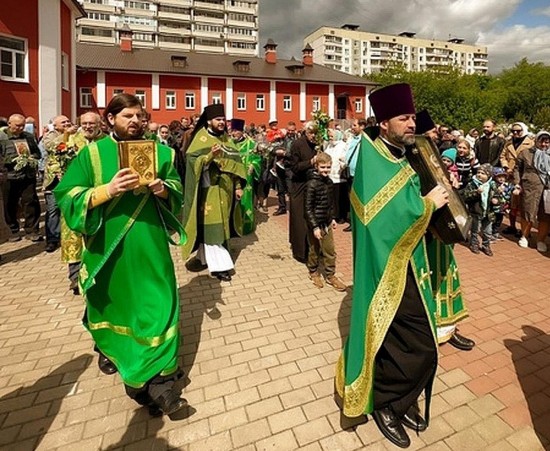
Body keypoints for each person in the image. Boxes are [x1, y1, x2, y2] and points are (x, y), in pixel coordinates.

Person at [53, 94, 186, 415]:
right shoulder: (93, 155)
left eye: (140, 116)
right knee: (115, 306)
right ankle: (122, 359)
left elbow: (178, 188)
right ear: (110, 118)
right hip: (108, 247)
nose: (136, 122)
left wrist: (163, 189)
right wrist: (107, 191)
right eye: (128, 116)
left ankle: (159, 382)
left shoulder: (163, 152)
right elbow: (67, 196)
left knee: (160, 303)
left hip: (150, 245)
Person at [335, 83, 449, 449]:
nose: (412, 123)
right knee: (422, 347)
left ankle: (393, 397)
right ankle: (388, 405)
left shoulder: (400, 152)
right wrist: (428, 205)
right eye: (404, 118)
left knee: (403, 341)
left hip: (407, 262)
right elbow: (384, 219)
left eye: (413, 117)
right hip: (386, 268)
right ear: (384, 123)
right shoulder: (372, 158)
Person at [181, 103, 247, 282]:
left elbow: (237, 163)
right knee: (214, 228)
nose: (222, 123)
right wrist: (210, 156)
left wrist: (239, 186)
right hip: (208, 191)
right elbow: (192, 163)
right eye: (218, 120)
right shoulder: (200, 138)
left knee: (220, 227)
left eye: (223, 120)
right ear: (209, 121)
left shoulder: (226, 138)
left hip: (226, 190)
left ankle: (204, 258)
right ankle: (222, 267)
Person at [55, 112, 106, 294]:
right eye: (84, 123)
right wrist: (59, 173)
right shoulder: (68, 141)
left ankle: (100, 273)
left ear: (99, 124)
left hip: (99, 197)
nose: (88, 126)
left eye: (92, 123)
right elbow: (55, 161)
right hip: (75, 196)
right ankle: (75, 277)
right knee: (73, 236)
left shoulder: (106, 143)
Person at [304, 152, 347, 291]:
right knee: (314, 249)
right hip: (315, 223)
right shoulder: (311, 184)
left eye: (328, 167)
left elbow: (331, 203)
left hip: (327, 222)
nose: (325, 170)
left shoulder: (329, 182)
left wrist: (332, 218)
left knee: (329, 249)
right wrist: (315, 226)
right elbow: (308, 208)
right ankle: (313, 271)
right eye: (322, 167)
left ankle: (330, 275)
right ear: (316, 166)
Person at [0, 113, 42, 242]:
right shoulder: (2, 137)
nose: (20, 128)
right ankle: (13, 228)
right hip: (9, 176)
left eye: (22, 126)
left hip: (27, 175)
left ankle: (32, 230)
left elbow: (37, 153)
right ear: (9, 124)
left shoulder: (28, 137)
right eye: (17, 126)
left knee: (30, 202)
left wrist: (31, 158)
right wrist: (11, 160)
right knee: (9, 204)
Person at [514, 130, 550, 252]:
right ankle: (524, 236)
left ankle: (541, 240)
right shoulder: (526, 153)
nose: (544, 145)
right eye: (542, 142)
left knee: (545, 215)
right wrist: (517, 184)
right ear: (536, 141)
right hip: (530, 187)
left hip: (547, 188)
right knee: (527, 212)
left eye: (547, 142)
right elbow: (517, 169)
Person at [289, 121, 319, 263]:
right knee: (299, 219)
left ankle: (312, 249)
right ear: (305, 132)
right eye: (311, 133)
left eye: (315, 133)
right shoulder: (297, 144)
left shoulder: (315, 144)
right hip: (298, 185)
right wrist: (311, 162)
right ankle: (300, 251)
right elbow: (294, 167)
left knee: (311, 217)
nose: (313, 136)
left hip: (311, 185)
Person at [43, 114, 73, 252]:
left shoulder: (76, 134)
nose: (67, 123)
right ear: (55, 126)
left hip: (70, 176)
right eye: (63, 122)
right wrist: (65, 134)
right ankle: (53, 239)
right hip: (53, 179)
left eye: (68, 121)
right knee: (53, 209)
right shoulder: (50, 135)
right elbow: (50, 147)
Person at [500, 122, 534, 236]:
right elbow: (502, 156)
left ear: (523, 130)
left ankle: (524, 230)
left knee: (524, 204)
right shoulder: (508, 142)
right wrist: (505, 167)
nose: (515, 133)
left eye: (518, 131)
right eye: (513, 131)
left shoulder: (530, 143)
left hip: (523, 177)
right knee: (511, 203)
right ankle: (512, 226)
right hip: (509, 176)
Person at [231, 118, 261, 235]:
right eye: (232, 130)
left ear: (242, 132)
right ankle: (233, 225)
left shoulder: (251, 144)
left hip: (246, 177)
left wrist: (253, 165)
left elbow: (258, 159)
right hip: (232, 176)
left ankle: (246, 226)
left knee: (245, 199)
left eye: (236, 131)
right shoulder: (229, 143)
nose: (233, 133)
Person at [462, 163, 497, 256]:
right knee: (475, 230)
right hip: (476, 212)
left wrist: (497, 200)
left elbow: (498, 196)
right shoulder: (472, 184)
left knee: (487, 231)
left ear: (489, 175)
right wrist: (476, 193)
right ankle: (474, 244)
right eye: (479, 172)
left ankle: (486, 245)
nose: (480, 175)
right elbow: (466, 196)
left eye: (483, 173)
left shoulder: (492, 185)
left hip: (488, 213)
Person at [342, 118, 368, 232]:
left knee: (359, 199)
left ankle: (359, 223)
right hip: (349, 173)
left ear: (362, 126)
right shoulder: (352, 138)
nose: (352, 127)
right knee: (351, 199)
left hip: (360, 174)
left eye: (354, 125)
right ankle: (353, 222)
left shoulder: (365, 140)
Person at [324, 128, 349, 223]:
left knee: (340, 198)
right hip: (330, 175)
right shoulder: (329, 146)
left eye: (332, 136)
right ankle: (334, 215)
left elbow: (344, 158)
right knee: (332, 197)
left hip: (339, 176)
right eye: (329, 136)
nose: (330, 138)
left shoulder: (343, 146)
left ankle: (342, 216)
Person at [491, 167, 514, 241]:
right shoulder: (493, 184)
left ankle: (495, 232)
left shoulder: (507, 185)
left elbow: (511, 188)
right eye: (499, 177)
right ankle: (490, 233)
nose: (501, 179)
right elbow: (492, 193)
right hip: (494, 208)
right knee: (493, 220)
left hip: (502, 207)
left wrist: (516, 188)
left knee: (499, 220)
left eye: (503, 177)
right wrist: (498, 191)